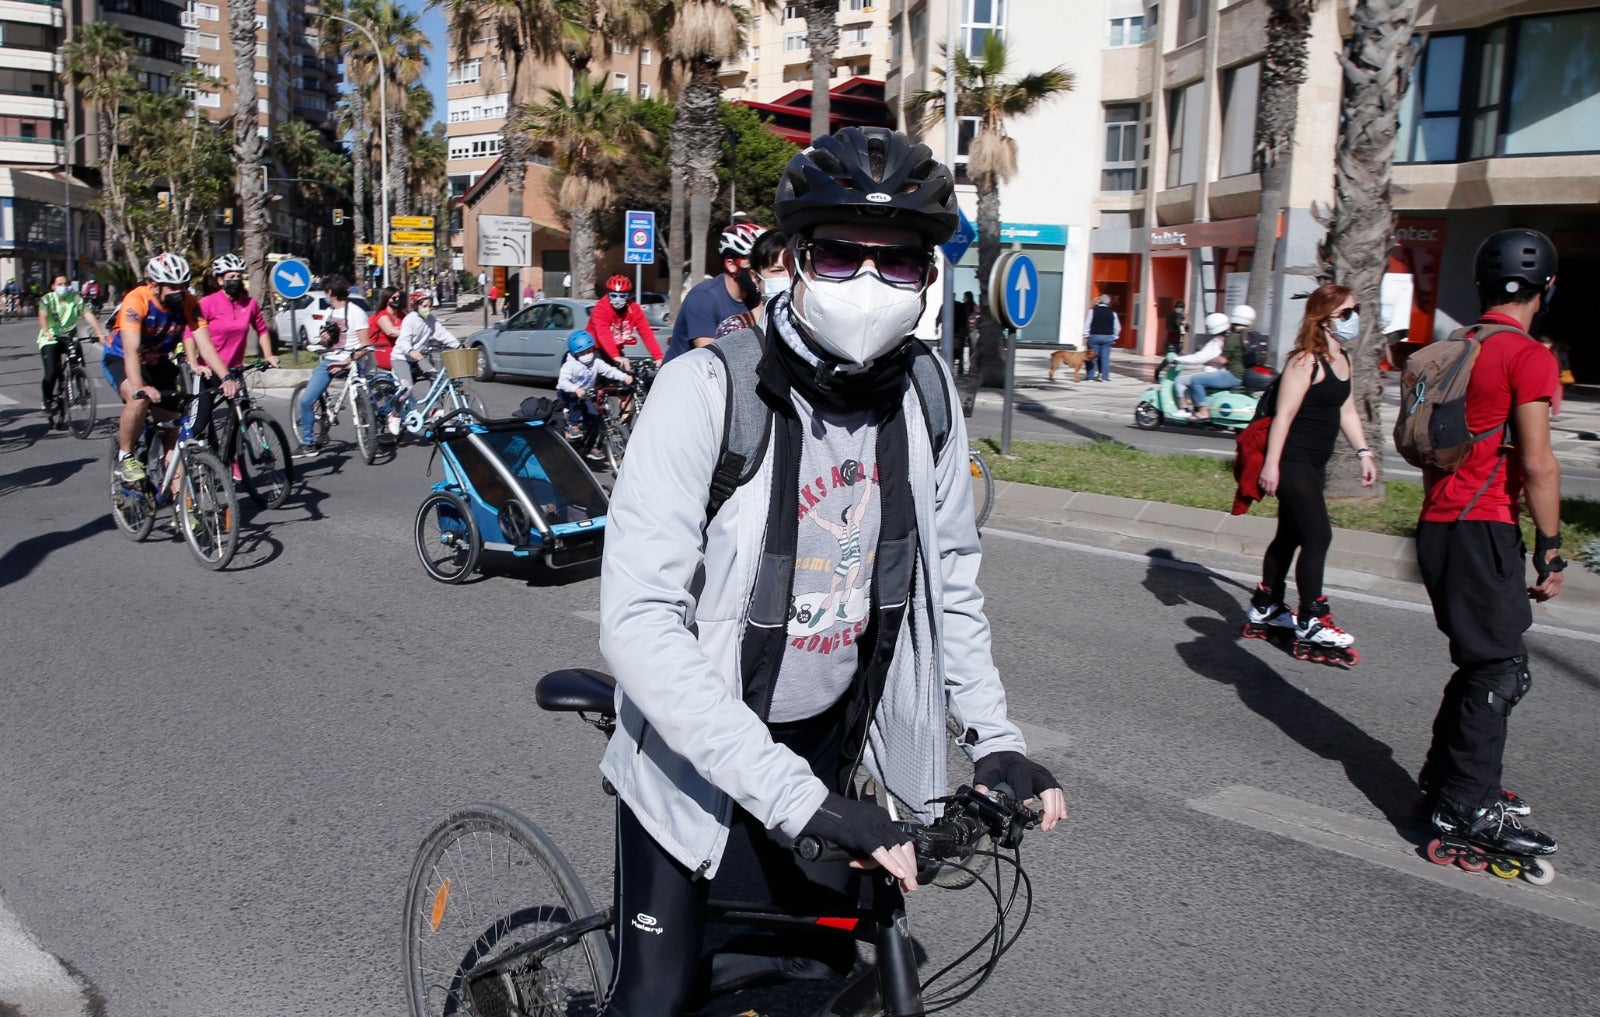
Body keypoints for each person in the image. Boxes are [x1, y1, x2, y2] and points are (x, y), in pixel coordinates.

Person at [594, 126, 1066, 1017]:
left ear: (929, 279)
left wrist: (994, 738)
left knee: (815, 982)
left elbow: (951, 577)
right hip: (700, 754)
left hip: (826, 747)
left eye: (899, 264)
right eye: (842, 254)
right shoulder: (705, 390)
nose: (867, 284)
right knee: (657, 1001)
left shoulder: (925, 394)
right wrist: (790, 796)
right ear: (794, 259)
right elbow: (639, 623)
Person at [1415, 229, 1564, 859]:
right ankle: (1467, 807)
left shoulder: (1451, 349)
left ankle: (1446, 784)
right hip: (1486, 527)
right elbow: (1538, 464)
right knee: (1502, 668)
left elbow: (1431, 453)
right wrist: (1550, 547)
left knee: (1482, 664)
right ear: (1546, 289)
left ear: (1481, 287)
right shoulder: (1528, 355)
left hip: (1439, 527)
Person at [1249, 284, 1376, 655]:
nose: (1354, 319)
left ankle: (1265, 606)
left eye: (1356, 311)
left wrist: (1364, 452)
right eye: (1346, 313)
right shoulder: (1305, 361)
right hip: (1292, 461)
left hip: (1315, 463)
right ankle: (1312, 617)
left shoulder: (1343, 358)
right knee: (1318, 536)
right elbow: (1284, 416)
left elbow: (1347, 410)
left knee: (1289, 536)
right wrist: (1271, 464)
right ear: (1324, 320)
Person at [105, 254, 236, 484]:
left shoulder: (189, 303)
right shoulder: (137, 301)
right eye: (174, 287)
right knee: (139, 400)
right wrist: (140, 387)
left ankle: (185, 512)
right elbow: (131, 350)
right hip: (122, 359)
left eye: (184, 286)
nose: (180, 292)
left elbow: (205, 346)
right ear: (154, 286)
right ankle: (125, 456)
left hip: (158, 363)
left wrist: (225, 376)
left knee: (174, 429)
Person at [662, 221, 768, 364]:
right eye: (753, 262)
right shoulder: (703, 298)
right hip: (682, 381)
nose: (760, 269)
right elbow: (712, 358)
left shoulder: (755, 297)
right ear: (730, 264)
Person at [295, 276, 369, 456]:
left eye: (325, 292)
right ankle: (308, 442)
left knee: (367, 401)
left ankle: (371, 438)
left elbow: (365, 345)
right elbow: (326, 342)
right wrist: (324, 338)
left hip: (350, 360)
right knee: (306, 400)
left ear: (329, 292)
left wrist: (347, 361)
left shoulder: (356, 313)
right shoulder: (329, 313)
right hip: (330, 359)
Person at [37, 273, 109, 424]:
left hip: (70, 337)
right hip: (51, 338)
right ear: (53, 286)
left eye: (65, 284)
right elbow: (42, 316)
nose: (63, 287)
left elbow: (87, 314)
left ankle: (82, 387)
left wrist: (99, 332)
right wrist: (46, 330)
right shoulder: (47, 299)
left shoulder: (75, 297)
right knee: (52, 372)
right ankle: (47, 400)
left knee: (78, 361)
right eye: (59, 284)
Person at [387, 290, 462, 434]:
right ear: (416, 306)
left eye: (429, 306)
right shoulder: (410, 319)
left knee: (436, 377)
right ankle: (394, 415)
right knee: (407, 387)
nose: (428, 309)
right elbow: (403, 341)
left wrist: (458, 345)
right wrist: (411, 351)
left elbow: (443, 334)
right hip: (401, 358)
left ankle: (432, 410)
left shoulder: (431, 320)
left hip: (419, 358)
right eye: (424, 306)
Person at [555, 329, 630, 459]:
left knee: (595, 418)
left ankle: (589, 448)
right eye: (584, 352)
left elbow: (609, 371)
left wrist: (624, 377)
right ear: (576, 353)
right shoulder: (569, 365)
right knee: (575, 401)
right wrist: (575, 389)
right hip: (568, 393)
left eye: (590, 350)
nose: (588, 354)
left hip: (585, 394)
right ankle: (573, 426)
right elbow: (562, 382)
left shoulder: (595, 362)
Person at [712, 227, 790, 338]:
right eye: (777, 270)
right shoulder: (736, 329)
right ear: (755, 277)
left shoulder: (809, 328)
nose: (788, 277)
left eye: (793, 269)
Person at [1177, 306, 1252, 419]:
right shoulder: (1248, 335)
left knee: (1196, 380)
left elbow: (1223, 360)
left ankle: (1203, 411)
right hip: (1240, 374)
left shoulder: (1233, 337)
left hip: (1232, 375)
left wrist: (1208, 361)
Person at [586, 274, 663, 365]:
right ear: (608, 294)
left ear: (628, 296)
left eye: (622, 296)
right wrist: (615, 356)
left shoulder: (634, 310)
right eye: (614, 296)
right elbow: (603, 334)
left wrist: (658, 356)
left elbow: (646, 333)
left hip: (615, 350)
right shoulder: (601, 308)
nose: (618, 299)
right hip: (595, 349)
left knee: (628, 375)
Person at [1082, 294, 1120, 382]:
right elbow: (1117, 327)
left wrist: (1086, 335)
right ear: (1108, 302)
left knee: (1092, 357)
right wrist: (1115, 337)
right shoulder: (1113, 313)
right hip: (1107, 337)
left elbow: (1087, 324)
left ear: (1099, 301)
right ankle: (1104, 377)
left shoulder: (1092, 311)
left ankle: (1090, 376)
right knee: (1105, 358)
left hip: (1094, 336)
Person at [368, 286, 405, 374]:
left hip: (398, 349)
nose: (397, 299)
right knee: (404, 363)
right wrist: (409, 333)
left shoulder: (402, 314)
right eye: (394, 298)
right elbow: (390, 332)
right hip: (381, 349)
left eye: (399, 297)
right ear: (387, 299)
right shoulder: (382, 315)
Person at [954, 290, 978, 376]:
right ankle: (965, 369)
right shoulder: (964, 306)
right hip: (967, 330)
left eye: (965, 296)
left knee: (969, 350)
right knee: (964, 350)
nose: (964, 298)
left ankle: (969, 369)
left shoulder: (970, 306)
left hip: (968, 330)